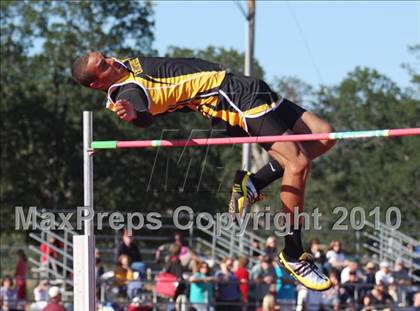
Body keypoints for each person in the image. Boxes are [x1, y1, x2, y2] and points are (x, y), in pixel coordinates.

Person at [72, 51, 336, 291]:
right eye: (104, 65)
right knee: (297, 163)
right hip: (227, 96)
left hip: (245, 86)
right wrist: (134, 114)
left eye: (104, 56)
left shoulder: (121, 66)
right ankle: (293, 253)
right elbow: (140, 112)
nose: (111, 60)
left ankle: (253, 183)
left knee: (324, 136)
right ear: (97, 83)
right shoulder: (126, 91)